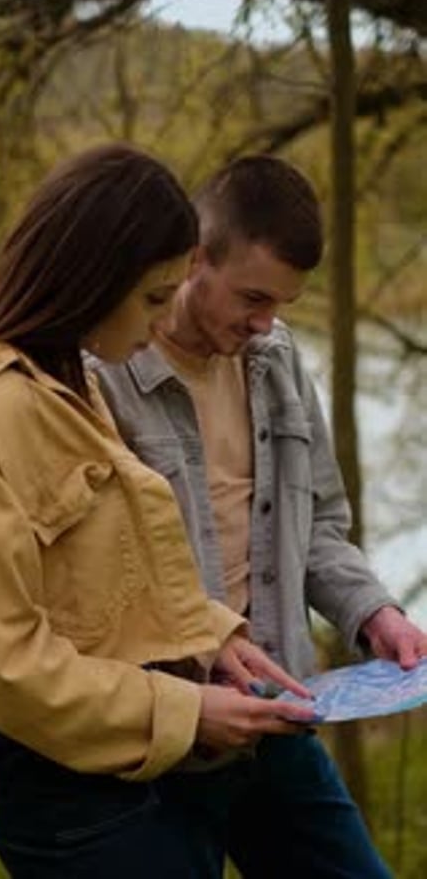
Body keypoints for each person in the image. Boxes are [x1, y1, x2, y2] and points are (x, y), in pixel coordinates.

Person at [0, 144, 319, 879]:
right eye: (148, 297)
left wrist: (212, 640)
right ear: (93, 278)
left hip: (130, 756)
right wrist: (187, 713)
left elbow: (114, 572)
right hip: (58, 783)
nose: (160, 320)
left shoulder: (66, 382)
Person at [91, 153, 427, 878]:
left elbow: (323, 529)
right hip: (160, 746)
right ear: (194, 261)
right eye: (252, 298)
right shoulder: (102, 377)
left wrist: (373, 615)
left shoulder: (276, 361)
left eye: (281, 305)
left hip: (281, 719)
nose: (265, 322)